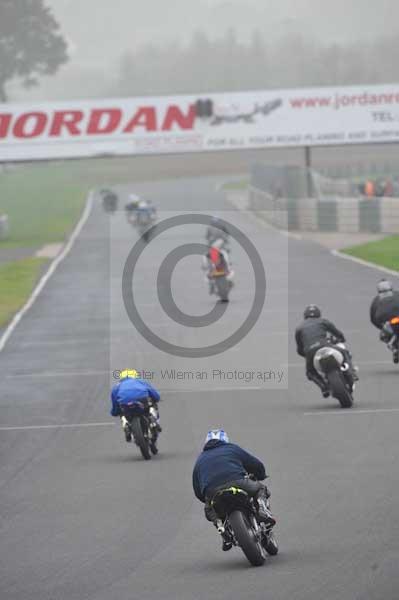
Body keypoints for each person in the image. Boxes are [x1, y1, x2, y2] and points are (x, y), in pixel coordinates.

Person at [192, 429, 276, 551]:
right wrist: (261, 474)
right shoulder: (231, 448)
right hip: (238, 482)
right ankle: (262, 509)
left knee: (210, 510)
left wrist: (206, 498)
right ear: (225, 440)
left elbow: (197, 489)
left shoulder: (200, 459)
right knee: (260, 488)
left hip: (213, 492)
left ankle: (223, 532)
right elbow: (255, 464)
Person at [295, 305, 358, 398]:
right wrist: (341, 338)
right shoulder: (322, 321)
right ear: (318, 314)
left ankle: (324, 388)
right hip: (325, 345)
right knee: (344, 352)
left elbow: (300, 348)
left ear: (305, 316)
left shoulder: (299, 328)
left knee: (310, 373)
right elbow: (336, 332)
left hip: (310, 352)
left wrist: (306, 355)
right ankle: (351, 374)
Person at [110, 369, 161, 442]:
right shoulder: (140, 381)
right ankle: (154, 423)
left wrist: (115, 412)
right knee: (150, 406)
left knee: (122, 412)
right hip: (142, 400)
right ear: (135, 376)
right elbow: (153, 393)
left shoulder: (117, 386)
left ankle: (126, 426)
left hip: (125, 404)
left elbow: (115, 402)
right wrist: (156, 399)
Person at [370, 279, 399, 363]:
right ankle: (394, 349)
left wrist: (381, 326)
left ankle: (394, 349)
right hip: (393, 321)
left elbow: (373, 318)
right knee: (385, 334)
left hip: (388, 322)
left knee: (383, 335)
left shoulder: (376, 299)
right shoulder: (396, 294)